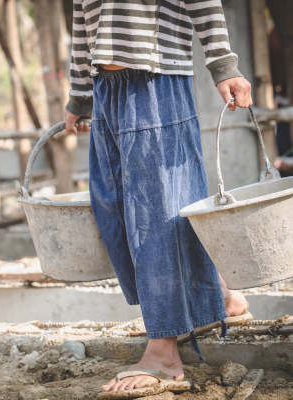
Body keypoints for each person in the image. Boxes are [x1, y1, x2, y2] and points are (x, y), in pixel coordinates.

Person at [63, 0, 253, 397]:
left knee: (153, 216)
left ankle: (164, 350)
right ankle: (220, 298)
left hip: (155, 80)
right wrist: (80, 95)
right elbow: (83, 24)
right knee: (112, 208)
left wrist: (223, 64)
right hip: (105, 87)